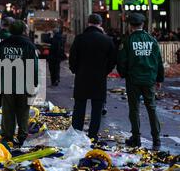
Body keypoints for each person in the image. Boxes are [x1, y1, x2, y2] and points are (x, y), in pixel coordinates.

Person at [117, 13, 164, 150]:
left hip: (133, 80)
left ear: (130, 26)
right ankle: (156, 138)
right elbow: (158, 61)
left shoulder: (128, 41)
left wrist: (124, 74)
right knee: (152, 108)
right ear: (143, 24)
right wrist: (159, 78)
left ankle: (136, 138)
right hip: (149, 79)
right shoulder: (152, 40)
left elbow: (122, 61)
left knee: (134, 109)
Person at [69, 14, 116, 143]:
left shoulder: (80, 39)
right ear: (100, 24)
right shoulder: (107, 40)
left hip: (82, 77)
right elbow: (113, 60)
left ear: (88, 23)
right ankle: (92, 135)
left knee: (79, 107)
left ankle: (77, 133)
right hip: (99, 79)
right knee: (97, 109)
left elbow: (72, 58)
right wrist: (105, 71)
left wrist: (76, 70)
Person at [0, 20, 39, 148]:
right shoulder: (29, 45)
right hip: (24, 84)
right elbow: (34, 66)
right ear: (23, 31)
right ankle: (22, 136)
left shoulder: (3, 44)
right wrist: (35, 81)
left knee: (8, 111)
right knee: (23, 110)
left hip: (7, 83)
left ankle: (8, 136)